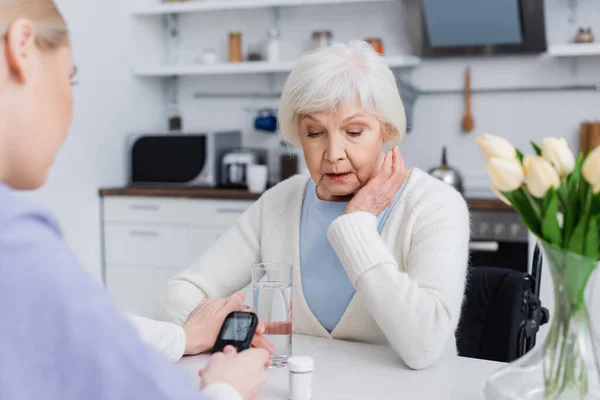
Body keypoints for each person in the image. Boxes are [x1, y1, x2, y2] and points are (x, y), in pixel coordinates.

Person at [0, 1, 268, 399]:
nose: (70, 111)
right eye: (69, 80)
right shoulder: (15, 240)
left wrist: (181, 338)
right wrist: (227, 388)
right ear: (23, 47)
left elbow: (89, 332)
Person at [152, 41, 471, 370]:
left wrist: (357, 226)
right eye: (315, 133)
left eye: (354, 131)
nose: (333, 153)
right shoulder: (281, 201)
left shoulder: (435, 204)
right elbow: (182, 291)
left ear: (385, 130)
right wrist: (222, 330)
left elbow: (425, 344)